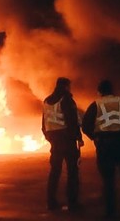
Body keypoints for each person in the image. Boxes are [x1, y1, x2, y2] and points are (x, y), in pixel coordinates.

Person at [82, 80, 120, 218]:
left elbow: (85, 126)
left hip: (105, 145)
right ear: (112, 90)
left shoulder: (95, 104)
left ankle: (110, 211)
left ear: (99, 91)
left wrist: (94, 138)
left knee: (108, 179)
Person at [42, 77, 83, 212]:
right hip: (67, 141)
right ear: (65, 86)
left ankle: (51, 202)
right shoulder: (66, 100)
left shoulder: (47, 101)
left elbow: (44, 124)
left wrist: (50, 138)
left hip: (55, 141)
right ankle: (72, 203)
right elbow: (72, 121)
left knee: (55, 172)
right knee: (72, 172)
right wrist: (78, 137)